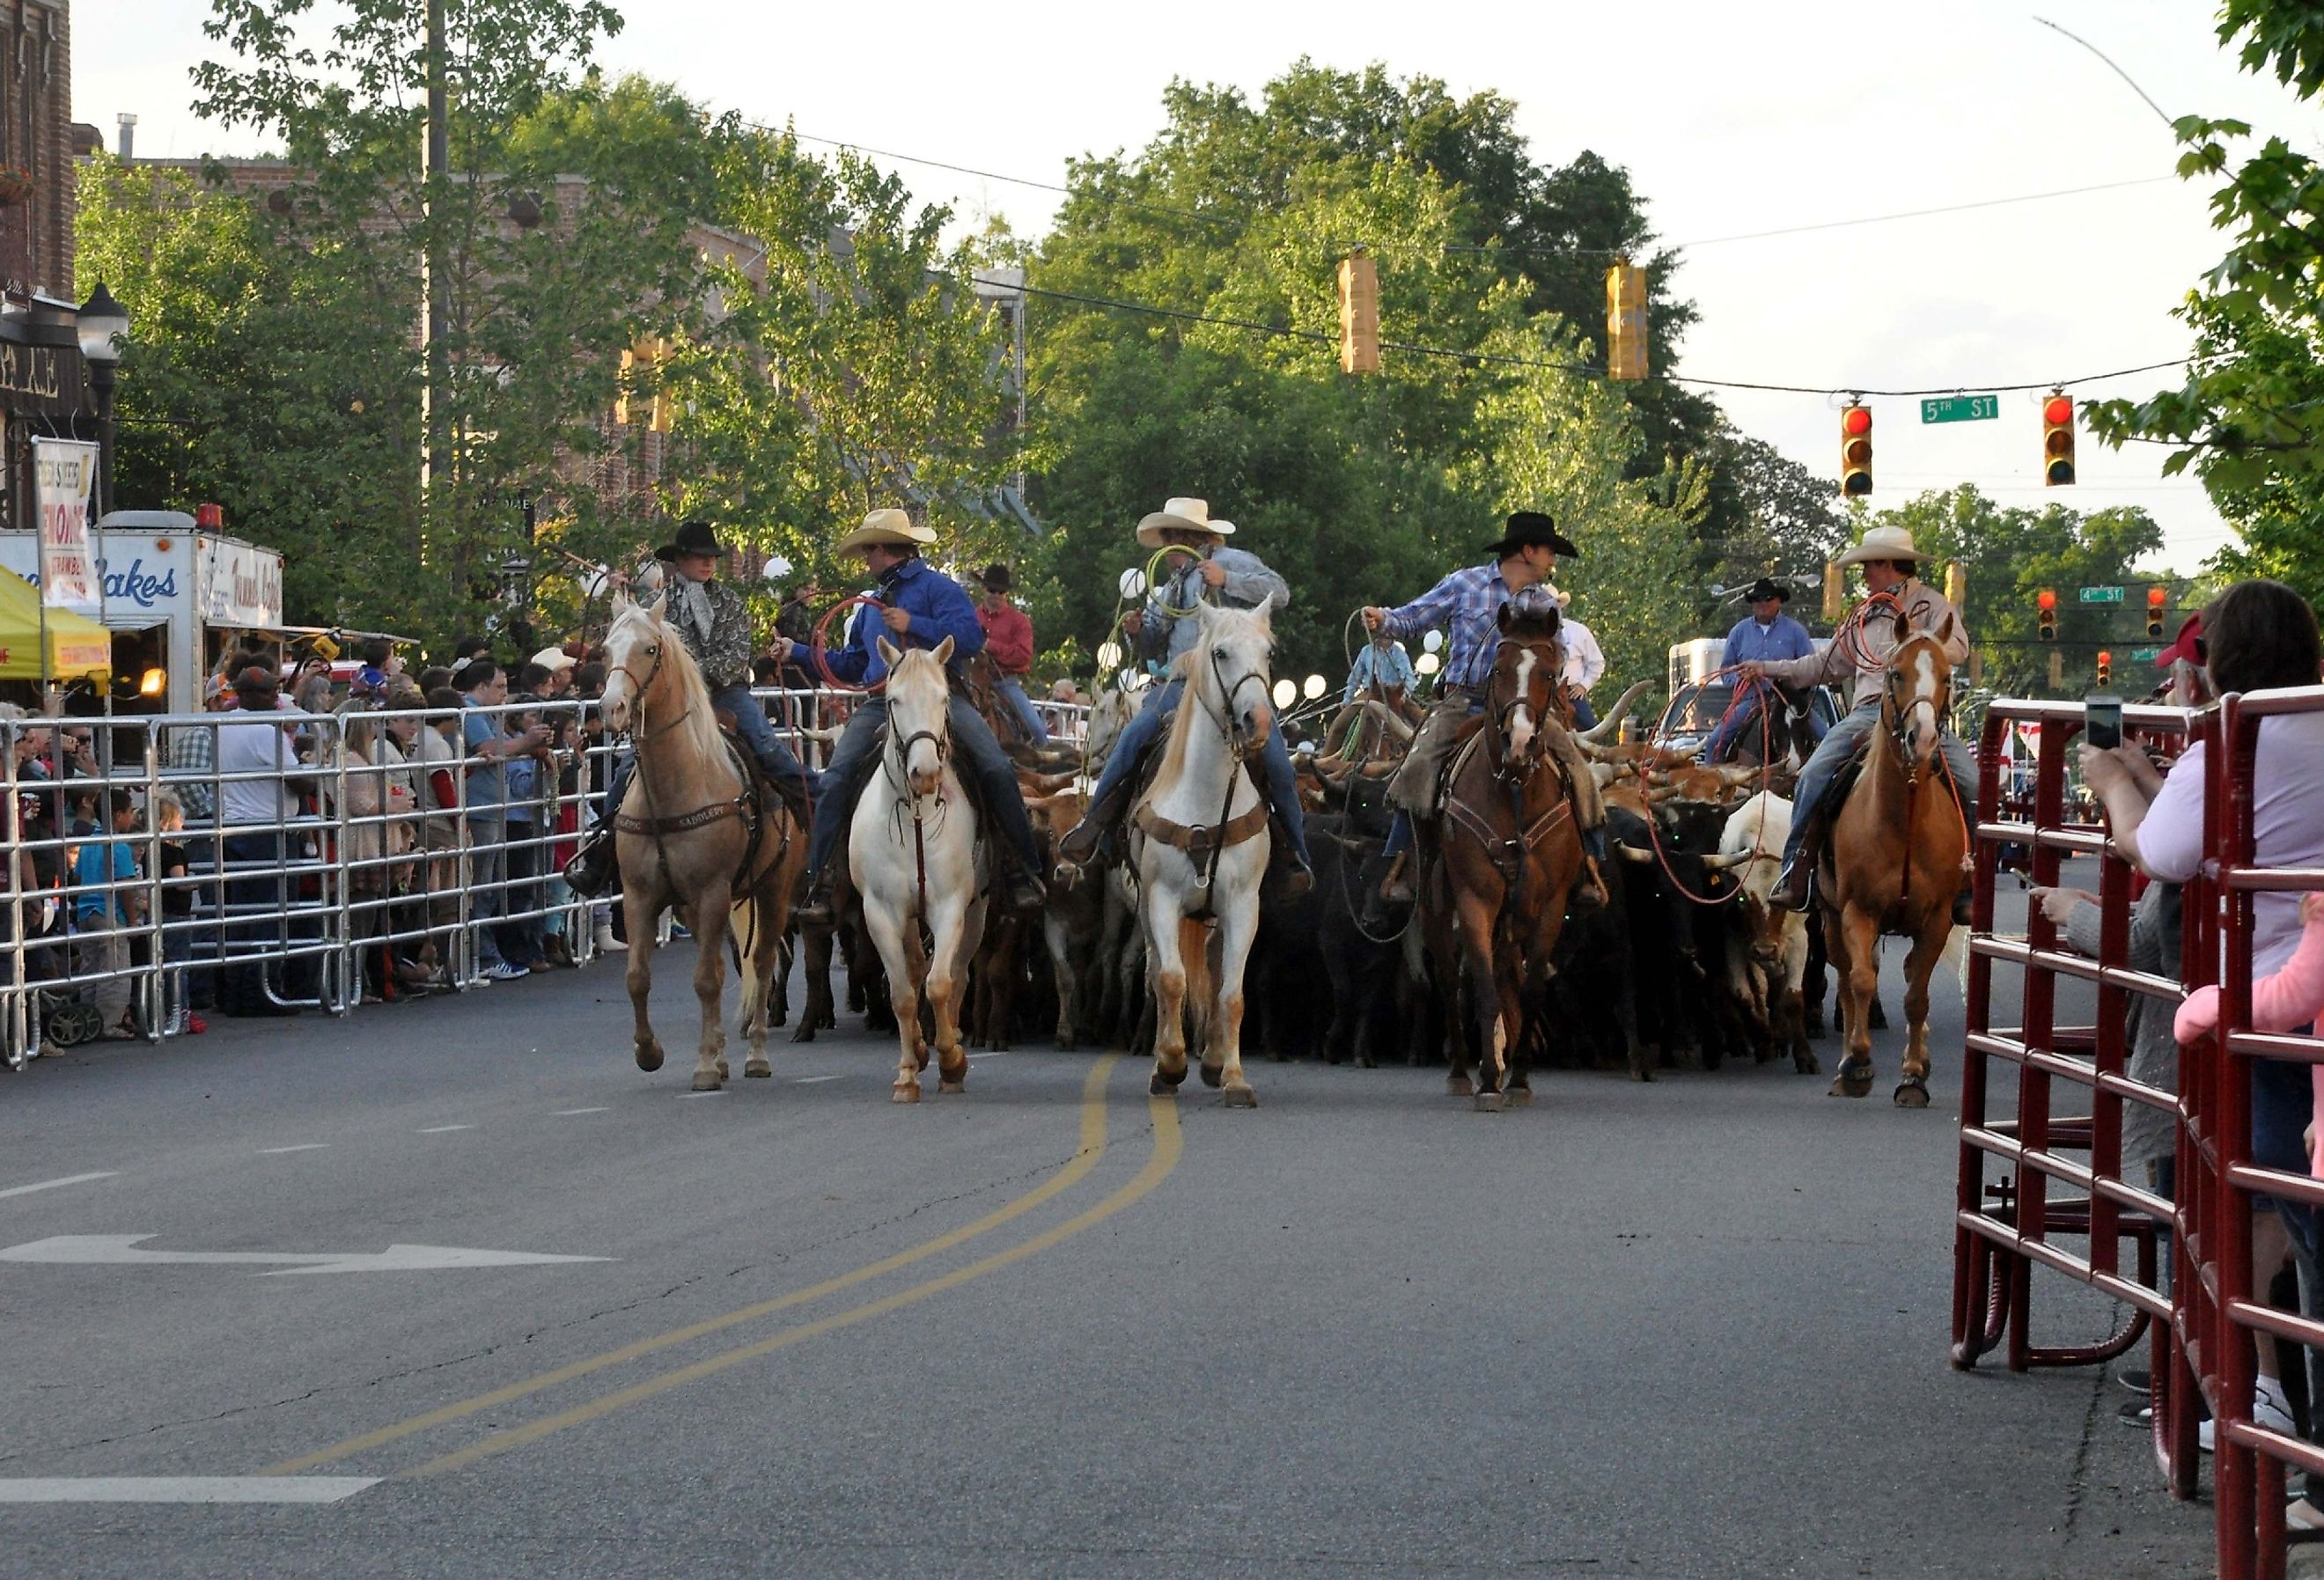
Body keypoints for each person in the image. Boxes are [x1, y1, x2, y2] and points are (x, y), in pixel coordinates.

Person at [2080, 580, 2324, 1460]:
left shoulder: (2230, 741)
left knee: (2283, 1199)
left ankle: (2280, 1408)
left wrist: (2114, 784)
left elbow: (2165, 850)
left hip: (2271, 1006)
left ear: (2219, 661)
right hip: (2297, 1002)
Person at [780, 509, 1046, 924]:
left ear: (885, 549)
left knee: (995, 766)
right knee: (835, 777)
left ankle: (1022, 870)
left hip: (941, 697)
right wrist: (796, 652)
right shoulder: (869, 605)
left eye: (868, 551)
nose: (865, 560)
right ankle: (823, 879)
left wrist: (913, 622)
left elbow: (972, 638)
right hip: (883, 700)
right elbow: (852, 664)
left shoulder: (940, 588)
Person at [1056, 496, 1313, 894]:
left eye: (1174, 536)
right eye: (1166, 537)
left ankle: (1295, 855)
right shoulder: (1174, 583)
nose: (1167, 546)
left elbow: (1279, 592)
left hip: (1232, 684)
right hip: (1181, 683)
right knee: (1134, 735)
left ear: (1195, 537)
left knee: (1278, 761)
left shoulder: (1235, 560)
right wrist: (1140, 631)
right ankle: (1097, 831)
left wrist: (1227, 580)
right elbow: (1158, 643)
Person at [1357, 511, 1606, 914]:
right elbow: (1415, 618)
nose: (1552, 562)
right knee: (1418, 766)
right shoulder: (1465, 583)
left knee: (1579, 769)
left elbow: (1553, 659)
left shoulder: (1545, 605)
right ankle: (1400, 862)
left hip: (1525, 708)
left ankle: (1592, 865)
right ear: (1527, 551)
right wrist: (1383, 618)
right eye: (1548, 552)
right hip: (1464, 701)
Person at [564, 520, 820, 897]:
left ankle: (819, 829)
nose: (708, 564)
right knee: (626, 770)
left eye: (711, 558)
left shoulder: (730, 602)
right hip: (669, 702)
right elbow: (631, 649)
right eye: (700, 558)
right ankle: (601, 854)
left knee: (768, 748)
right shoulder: (651, 606)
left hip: (724, 694)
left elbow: (736, 657)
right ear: (680, 560)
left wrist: (691, 676)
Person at [1740, 525, 1974, 922]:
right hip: (1868, 712)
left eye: (1868, 566)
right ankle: (1797, 873)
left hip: (1921, 712)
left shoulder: (1933, 606)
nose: (1864, 575)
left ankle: (1971, 882)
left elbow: (1959, 648)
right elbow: (1824, 665)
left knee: (1975, 783)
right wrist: (1768, 668)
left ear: (1888, 564)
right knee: (1813, 774)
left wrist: (1916, 644)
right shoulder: (1861, 615)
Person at [215, 665, 312, 1017]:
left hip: (236, 827)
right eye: (271, 693)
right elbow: (298, 781)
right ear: (251, 694)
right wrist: (313, 773)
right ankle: (261, 992)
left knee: (241, 914)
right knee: (270, 913)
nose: (276, 699)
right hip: (268, 828)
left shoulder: (224, 726)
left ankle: (237, 992)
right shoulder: (263, 731)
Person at [461, 660, 546, 981]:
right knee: (482, 887)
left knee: (492, 886)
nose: (504, 694)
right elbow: (488, 749)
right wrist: (527, 742)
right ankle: (483, 955)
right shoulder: (470, 712)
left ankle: (488, 951)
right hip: (481, 810)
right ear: (481, 686)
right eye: (499, 687)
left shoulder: (487, 714)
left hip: (493, 807)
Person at [1703, 577, 1822, 765]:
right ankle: (1711, 781)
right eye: (1758, 600)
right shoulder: (1739, 632)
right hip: (1752, 701)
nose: (1763, 604)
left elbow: (1811, 668)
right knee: (1715, 742)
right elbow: (1726, 671)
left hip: (1789, 700)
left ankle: (1834, 785)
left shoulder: (1796, 631)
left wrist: (1788, 681)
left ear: (1778, 601)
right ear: (1752, 604)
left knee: (1826, 736)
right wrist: (1742, 678)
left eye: (1768, 599)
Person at [72, 788, 144, 1039]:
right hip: (109, 912)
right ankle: (108, 1023)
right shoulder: (120, 846)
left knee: (90, 967)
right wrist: (133, 921)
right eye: (129, 812)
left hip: (85, 911)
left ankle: (87, 1019)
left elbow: (78, 875)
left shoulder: (90, 842)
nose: (132, 817)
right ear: (118, 815)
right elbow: (125, 887)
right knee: (115, 971)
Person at [976, 563, 1048, 745]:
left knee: (1037, 729)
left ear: (1006, 593)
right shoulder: (971, 616)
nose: (996, 595)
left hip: (1005, 683)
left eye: (1001, 592)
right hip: (973, 681)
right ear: (984, 589)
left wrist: (991, 646)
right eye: (992, 590)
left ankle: (1044, 759)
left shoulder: (1019, 621)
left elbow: (1023, 655)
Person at [1548, 586, 1606, 730]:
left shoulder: (1578, 631)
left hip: (1569, 694)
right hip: (1539, 691)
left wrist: (1583, 685)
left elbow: (1597, 663)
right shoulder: (1531, 633)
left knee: (1591, 729)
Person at [1342, 636, 1416, 705]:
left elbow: (1409, 677)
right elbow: (1355, 678)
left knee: (1417, 715)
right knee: (1347, 714)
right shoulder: (1366, 651)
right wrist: (1347, 699)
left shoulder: (1400, 654)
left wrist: (1405, 694)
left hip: (1393, 694)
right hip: (1370, 693)